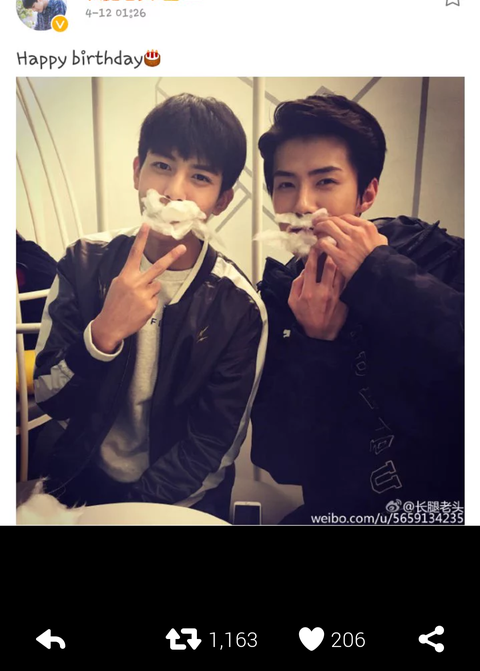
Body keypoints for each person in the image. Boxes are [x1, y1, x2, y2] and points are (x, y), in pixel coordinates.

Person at [34, 94, 267, 520]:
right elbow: (51, 399)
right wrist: (101, 336)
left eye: (199, 177)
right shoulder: (83, 262)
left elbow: (212, 443)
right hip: (80, 484)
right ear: (137, 172)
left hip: (181, 502)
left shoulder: (239, 306)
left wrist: (134, 509)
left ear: (221, 200)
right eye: (161, 166)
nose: (173, 191)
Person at [251, 95, 464, 524]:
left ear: (367, 193)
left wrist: (380, 273)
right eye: (286, 184)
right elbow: (282, 461)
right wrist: (316, 344)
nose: (303, 204)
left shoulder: (436, 256)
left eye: (325, 181)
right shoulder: (276, 299)